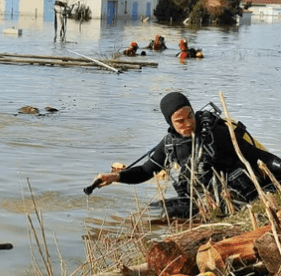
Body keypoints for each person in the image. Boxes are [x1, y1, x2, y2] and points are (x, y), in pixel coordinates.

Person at [93, 92, 281, 217]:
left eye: (190, 116)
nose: (188, 124)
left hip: (239, 198)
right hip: (203, 203)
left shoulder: (218, 135)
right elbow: (145, 171)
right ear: (170, 122)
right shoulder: (169, 144)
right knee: (155, 211)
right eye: (180, 121)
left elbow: (262, 158)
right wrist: (115, 177)